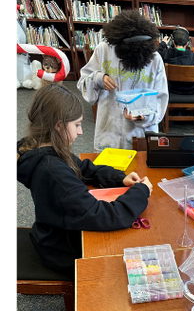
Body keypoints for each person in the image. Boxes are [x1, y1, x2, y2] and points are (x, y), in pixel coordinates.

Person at [17, 84, 152, 279]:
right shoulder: (53, 171)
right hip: (61, 250)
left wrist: (119, 178)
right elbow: (103, 216)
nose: (81, 131)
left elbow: (83, 167)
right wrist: (141, 192)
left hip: (52, 233)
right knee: (120, 266)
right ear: (59, 125)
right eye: (77, 124)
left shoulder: (42, 148)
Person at [77, 9, 168, 150]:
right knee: (107, 170)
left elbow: (161, 101)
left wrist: (144, 117)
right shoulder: (104, 50)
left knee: (140, 170)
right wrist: (98, 78)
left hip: (141, 135)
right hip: (109, 131)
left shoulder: (155, 60)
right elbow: (83, 83)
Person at [157, 27, 194, 95]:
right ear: (187, 44)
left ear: (173, 42)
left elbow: (156, 54)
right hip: (191, 90)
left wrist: (162, 44)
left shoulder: (166, 54)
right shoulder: (193, 57)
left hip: (172, 90)